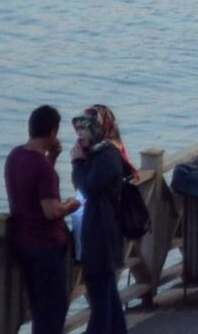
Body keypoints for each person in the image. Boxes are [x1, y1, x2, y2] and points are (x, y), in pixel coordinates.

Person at [6, 106, 79, 334]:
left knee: (39, 308)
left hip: (22, 243)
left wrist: (52, 158)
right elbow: (50, 210)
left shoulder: (15, 156)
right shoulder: (42, 167)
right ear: (52, 132)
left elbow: (34, 189)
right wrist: (70, 205)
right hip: (46, 247)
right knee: (53, 310)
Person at [70, 106, 135, 334]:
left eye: (85, 129)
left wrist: (77, 163)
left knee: (100, 302)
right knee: (107, 295)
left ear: (100, 128)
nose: (79, 134)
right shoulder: (100, 154)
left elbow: (87, 187)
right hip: (99, 236)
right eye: (78, 129)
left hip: (101, 238)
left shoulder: (107, 156)